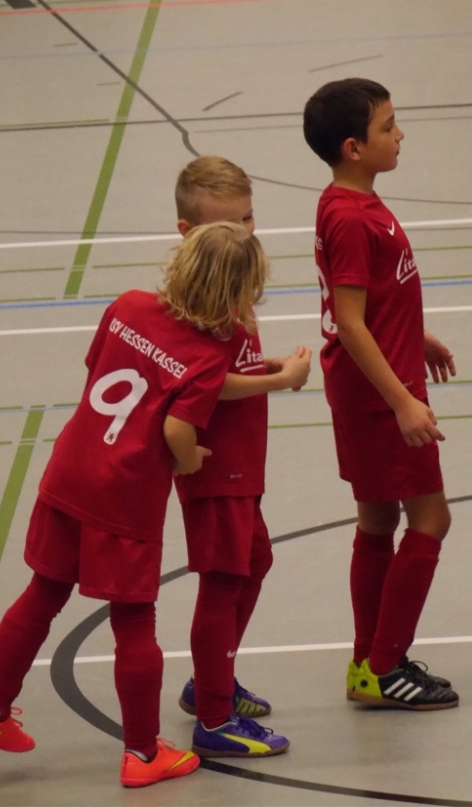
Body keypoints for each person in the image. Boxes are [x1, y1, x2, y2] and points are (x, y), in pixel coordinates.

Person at [0, 222, 267, 787]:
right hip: (125, 496)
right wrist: (189, 459)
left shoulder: (128, 305)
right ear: (240, 292)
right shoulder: (212, 352)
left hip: (70, 471)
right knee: (134, 620)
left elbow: (96, 365)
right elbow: (177, 427)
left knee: (43, 592)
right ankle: (144, 755)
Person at [303, 78, 459, 710]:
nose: (400, 135)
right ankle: (386, 665)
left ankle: (368, 662)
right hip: (377, 395)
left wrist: (415, 334)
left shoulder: (348, 201)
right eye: (388, 127)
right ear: (354, 147)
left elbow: (372, 299)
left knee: (377, 519)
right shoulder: (351, 216)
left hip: (369, 382)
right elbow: (349, 321)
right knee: (431, 518)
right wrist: (402, 401)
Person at [171, 156, 312, 758]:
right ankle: (214, 716)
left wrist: (263, 363)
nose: (244, 234)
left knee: (255, 561)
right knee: (225, 577)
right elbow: (204, 381)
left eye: (248, 219)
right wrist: (278, 381)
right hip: (214, 463)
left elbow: (227, 365)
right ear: (188, 232)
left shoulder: (231, 280)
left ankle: (211, 679)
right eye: (228, 224)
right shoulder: (201, 292)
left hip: (243, 459)